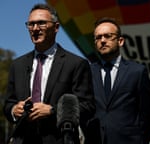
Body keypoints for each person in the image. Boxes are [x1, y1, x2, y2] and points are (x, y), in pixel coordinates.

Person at [3, 3, 95, 144]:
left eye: (41, 23)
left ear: (56, 27)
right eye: (31, 24)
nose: (35, 29)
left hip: (58, 139)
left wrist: (53, 111)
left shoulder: (76, 64)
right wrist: (14, 110)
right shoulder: (17, 65)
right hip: (23, 139)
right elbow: (8, 103)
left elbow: (87, 107)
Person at [90, 17, 150, 144]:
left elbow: (146, 115)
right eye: (98, 37)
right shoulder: (86, 72)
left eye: (108, 36)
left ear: (120, 41)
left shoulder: (137, 72)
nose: (102, 40)